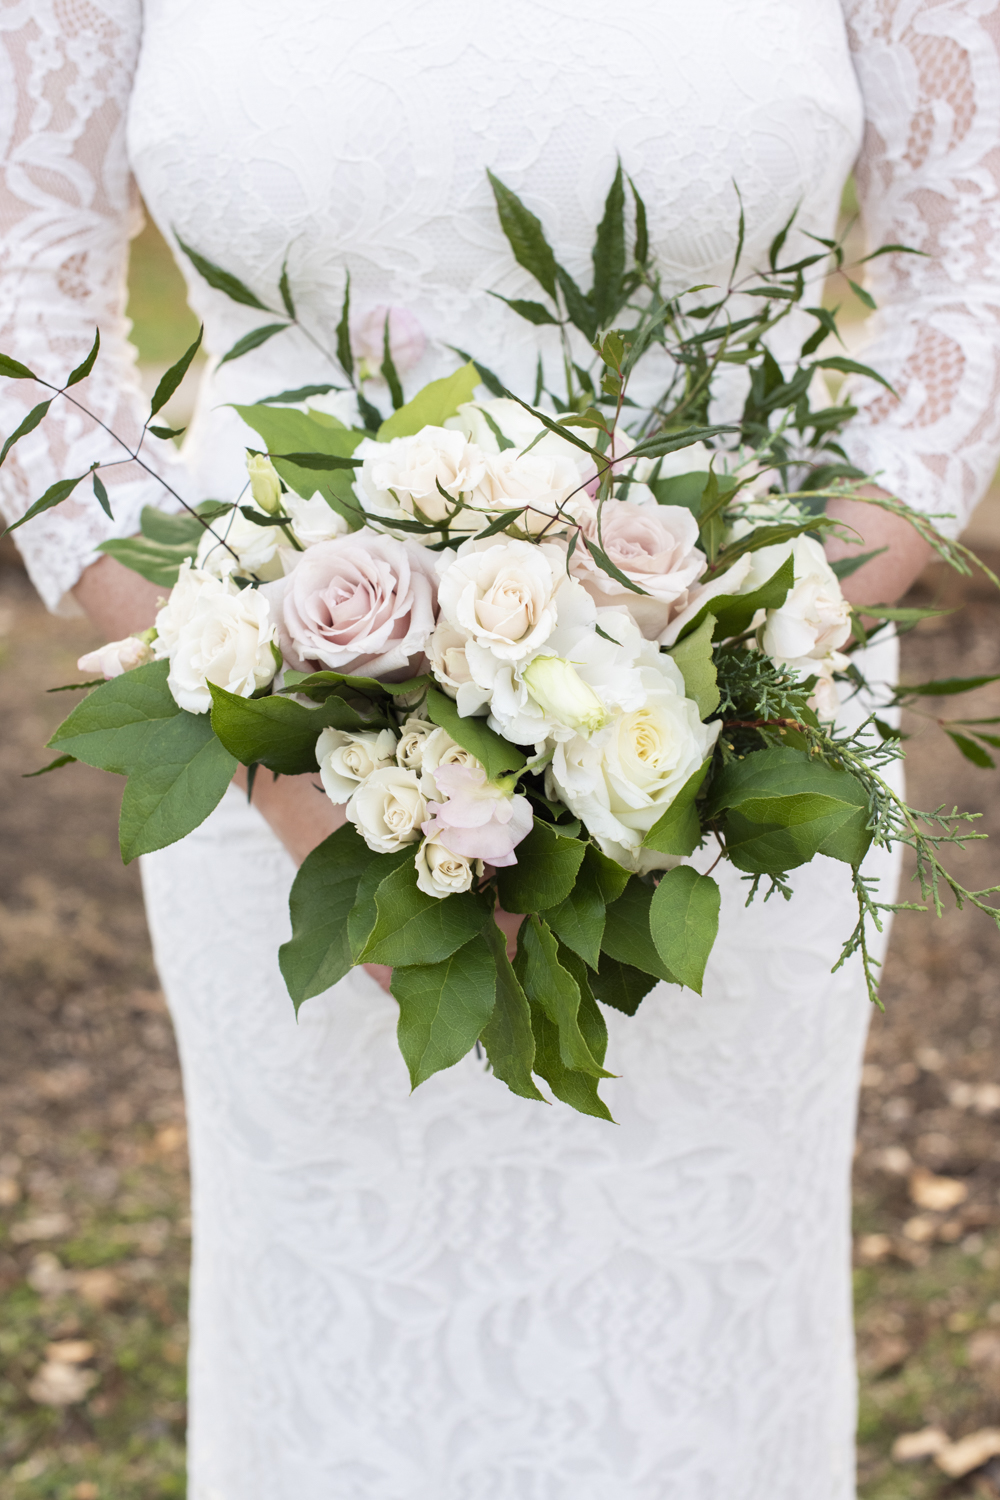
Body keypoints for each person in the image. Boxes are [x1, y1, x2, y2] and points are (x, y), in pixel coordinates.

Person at [2, 2, 999, 1495]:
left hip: (730, 770)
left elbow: (967, 263)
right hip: (261, 734)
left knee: (694, 1333)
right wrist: (291, 761)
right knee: (335, 1331)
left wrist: (741, 658)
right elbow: (29, 298)